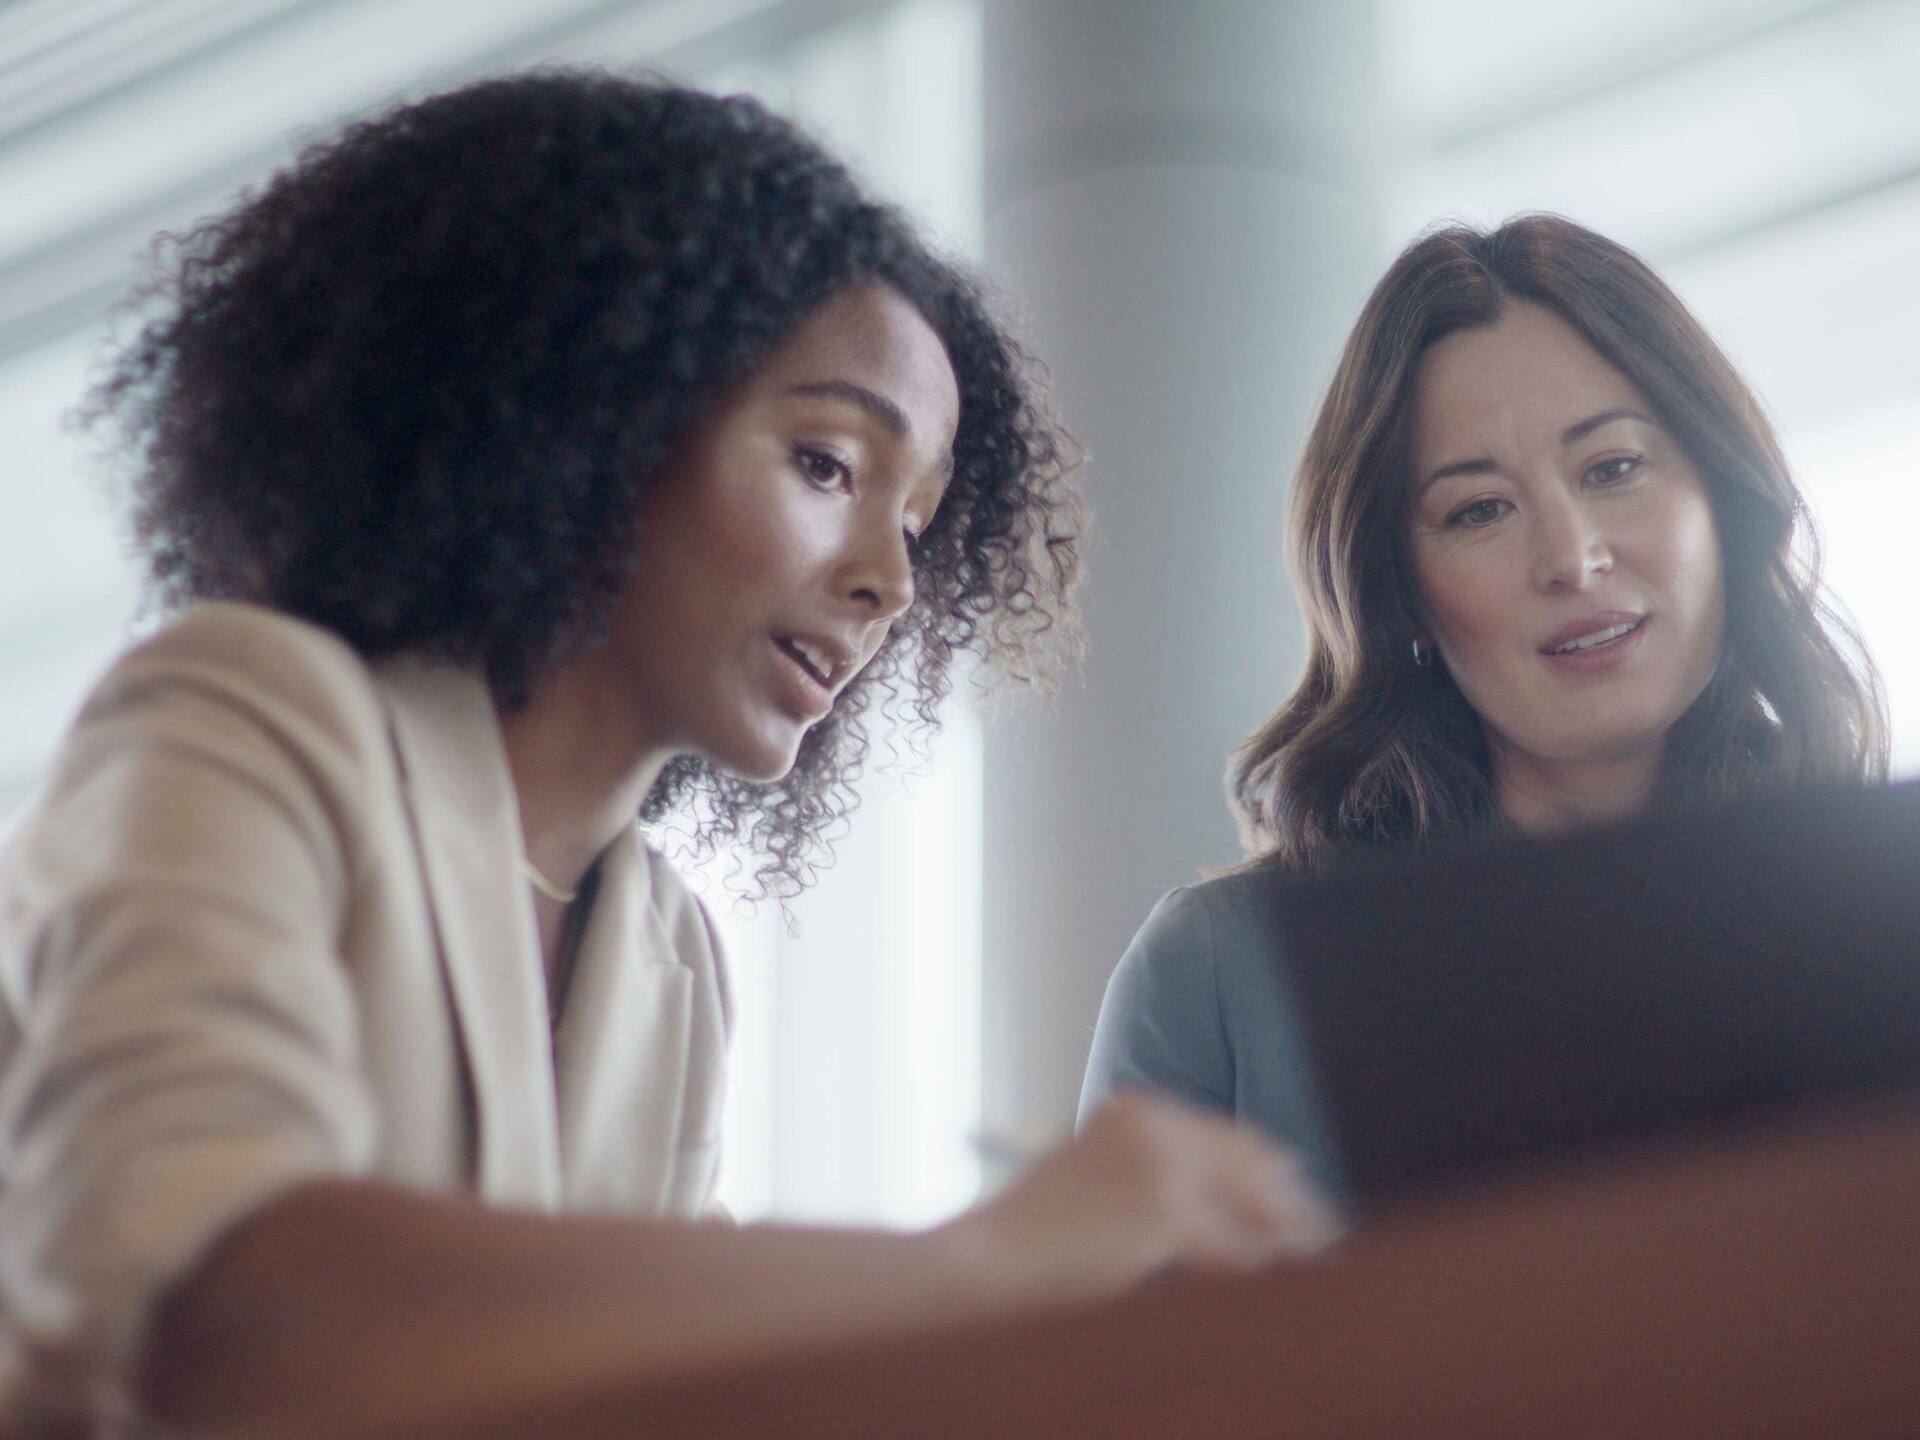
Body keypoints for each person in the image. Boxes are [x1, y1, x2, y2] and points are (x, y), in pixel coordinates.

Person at [0, 73, 1328, 1438]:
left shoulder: (664, 955)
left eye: (920, 528)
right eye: (826, 464)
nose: (889, 583)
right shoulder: (249, 720)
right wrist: (968, 1268)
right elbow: (208, 1314)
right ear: (592, 412)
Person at [1079, 213, 1887, 1202]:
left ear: (1722, 501)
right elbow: (1123, 1353)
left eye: (1614, 468)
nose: (1571, 555)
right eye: (1479, 510)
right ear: (1403, 594)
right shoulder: (1217, 975)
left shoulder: (1886, 911)